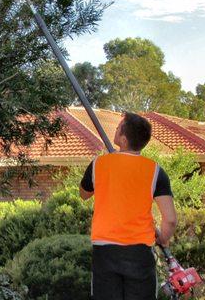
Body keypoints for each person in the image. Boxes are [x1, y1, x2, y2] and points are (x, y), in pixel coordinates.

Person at [79, 112, 177, 300]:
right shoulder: (155, 171)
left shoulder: (98, 164)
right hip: (139, 253)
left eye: (118, 128)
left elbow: (84, 194)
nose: (114, 129)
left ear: (123, 139)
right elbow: (170, 219)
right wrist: (163, 238)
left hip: (104, 251)